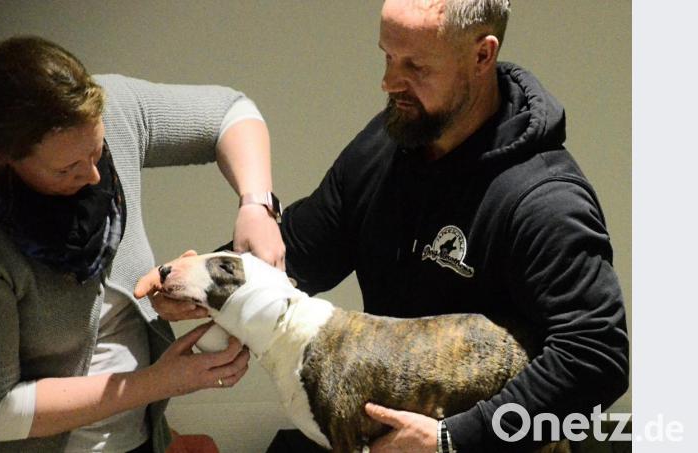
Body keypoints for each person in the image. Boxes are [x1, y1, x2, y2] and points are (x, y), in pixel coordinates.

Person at [147, 0, 630, 452]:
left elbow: (597, 359)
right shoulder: (388, 143)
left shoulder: (545, 199)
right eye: (388, 56)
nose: (388, 82)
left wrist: (452, 438)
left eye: (415, 66)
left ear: (482, 55)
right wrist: (196, 282)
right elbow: (302, 250)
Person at [0, 36, 286, 453]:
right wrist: (159, 382)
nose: (94, 176)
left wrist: (257, 205)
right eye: (67, 169)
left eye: (97, 151)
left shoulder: (114, 111)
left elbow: (232, 112)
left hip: (139, 437)